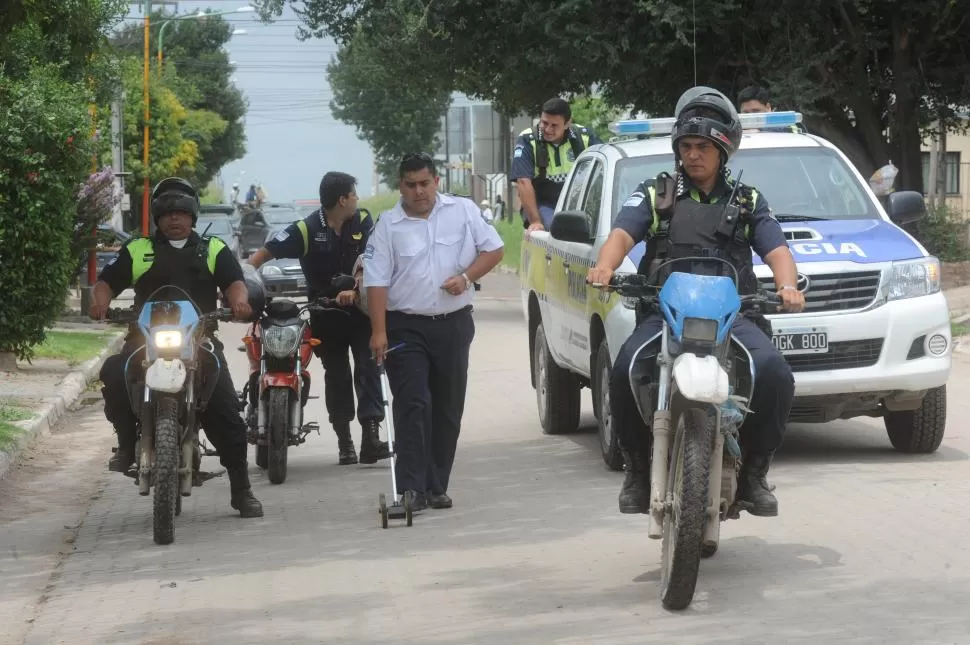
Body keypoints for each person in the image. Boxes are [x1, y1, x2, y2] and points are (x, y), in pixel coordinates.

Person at [585, 86, 806, 519]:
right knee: (624, 366)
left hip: (732, 314)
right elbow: (622, 235)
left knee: (776, 374)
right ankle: (636, 468)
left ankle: (755, 473)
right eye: (685, 146)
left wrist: (787, 286)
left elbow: (777, 250)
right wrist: (605, 268)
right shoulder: (657, 194)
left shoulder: (746, 200)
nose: (693, 155)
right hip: (665, 315)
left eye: (703, 146)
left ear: (723, 149)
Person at [89, 177, 263, 518]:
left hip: (200, 340)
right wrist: (100, 302)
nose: (174, 219)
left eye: (182, 212)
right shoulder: (139, 250)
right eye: (168, 213)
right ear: (157, 217)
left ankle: (241, 489)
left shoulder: (212, 249)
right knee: (113, 371)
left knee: (226, 409)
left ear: (193, 215)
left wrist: (239, 302)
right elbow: (107, 282)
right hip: (145, 340)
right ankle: (126, 444)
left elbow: (234, 283)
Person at [363, 153, 504, 511]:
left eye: (424, 183)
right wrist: (378, 332)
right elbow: (376, 280)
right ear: (401, 186)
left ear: (436, 182)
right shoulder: (388, 225)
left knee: (447, 407)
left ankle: (435, 485)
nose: (418, 191)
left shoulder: (463, 211)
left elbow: (495, 249)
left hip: (453, 325)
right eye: (410, 185)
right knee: (413, 403)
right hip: (405, 328)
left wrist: (467, 277)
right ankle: (410, 489)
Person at [247, 172, 391, 466]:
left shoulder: (363, 222)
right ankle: (345, 443)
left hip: (361, 313)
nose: (357, 199)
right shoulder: (307, 229)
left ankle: (371, 439)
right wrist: (245, 281)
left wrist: (354, 287)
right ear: (342, 200)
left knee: (368, 368)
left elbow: (376, 259)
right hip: (325, 316)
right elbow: (264, 254)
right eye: (354, 194)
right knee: (337, 375)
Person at [510, 97, 604, 231]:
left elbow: (605, 171)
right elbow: (523, 182)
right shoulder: (527, 140)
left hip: (581, 204)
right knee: (557, 230)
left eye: (554, 125)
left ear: (567, 124)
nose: (547, 129)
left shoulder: (585, 137)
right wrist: (535, 222)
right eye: (544, 122)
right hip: (543, 204)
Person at [736, 84, 806, 133]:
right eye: (746, 113)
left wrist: (760, 131)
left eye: (756, 111)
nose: (751, 116)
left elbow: (794, 131)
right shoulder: (735, 130)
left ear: (768, 107)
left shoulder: (785, 122)